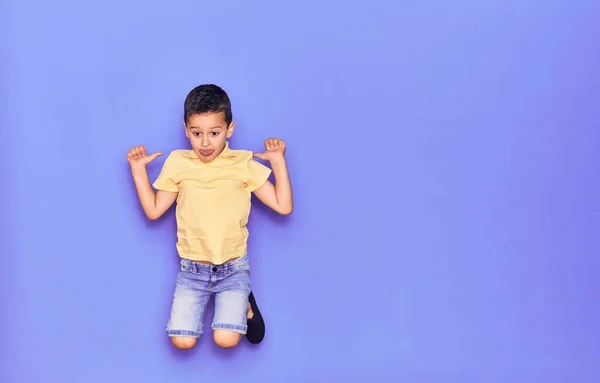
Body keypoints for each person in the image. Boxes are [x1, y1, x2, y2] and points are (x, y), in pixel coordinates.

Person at [126, 84, 293, 350]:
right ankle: (235, 304)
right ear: (186, 130)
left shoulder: (243, 162)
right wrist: (137, 171)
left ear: (229, 129)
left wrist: (278, 162)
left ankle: (246, 303)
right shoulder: (178, 162)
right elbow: (154, 210)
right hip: (192, 270)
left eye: (214, 133)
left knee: (225, 341)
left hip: (233, 269)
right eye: (196, 133)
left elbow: (283, 206)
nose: (205, 142)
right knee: (182, 342)